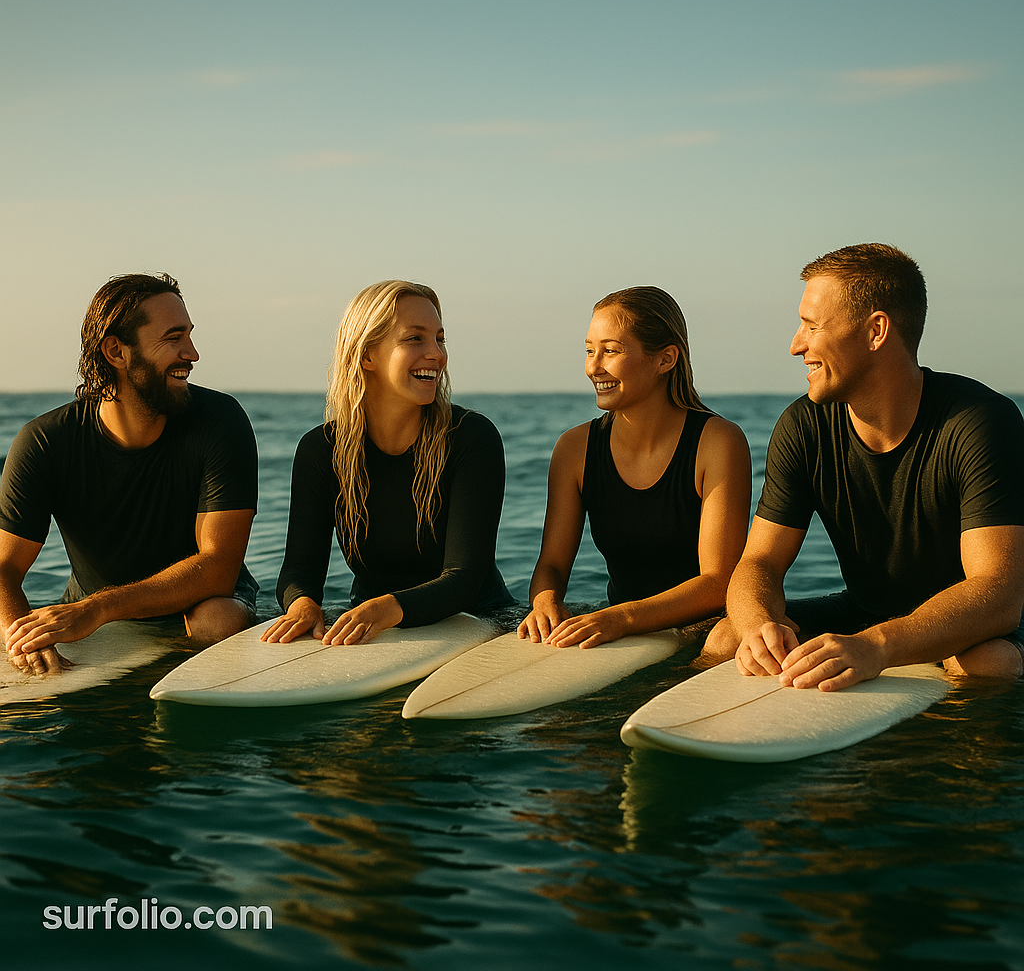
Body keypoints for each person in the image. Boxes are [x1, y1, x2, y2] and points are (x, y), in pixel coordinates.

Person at [703, 243, 1024, 689]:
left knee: (991, 663)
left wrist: (877, 647)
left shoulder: (980, 421)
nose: (796, 345)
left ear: (876, 331)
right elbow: (759, 562)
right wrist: (761, 626)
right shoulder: (804, 424)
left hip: (971, 624)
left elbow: (999, 595)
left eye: (812, 327)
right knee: (727, 637)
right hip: (866, 612)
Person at [1, 273, 259, 676]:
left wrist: (97, 609)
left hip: (200, 599)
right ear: (117, 352)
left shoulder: (220, 421)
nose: (192, 353)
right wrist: (22, 640)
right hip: (93, 609)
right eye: (174, 338)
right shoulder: (45, 442)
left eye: (189, 335)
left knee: (218, 621)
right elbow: (4, 567)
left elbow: (218, 567)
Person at [263, 280, 513, 647]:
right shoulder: (321, 450)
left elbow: (465, 577)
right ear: (367, 356)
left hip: (475, 620)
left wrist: (385, 609)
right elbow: (300, 569)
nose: (437, 354)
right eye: (416, 339)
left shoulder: (470, 437)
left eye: (440, 339)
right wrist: (302, 605)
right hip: (370, 625)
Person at [516, 286, 751, 649]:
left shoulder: (718, 442)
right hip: (619, 631)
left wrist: (623, 618)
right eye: (589, 350)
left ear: (665, 359)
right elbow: (552, 565)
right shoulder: (575, 448)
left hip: (706, 634)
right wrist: (545, 603)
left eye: (610, 351)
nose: (593, 367)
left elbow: (718, 582)